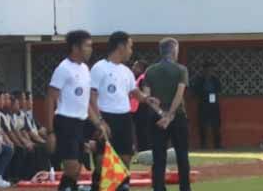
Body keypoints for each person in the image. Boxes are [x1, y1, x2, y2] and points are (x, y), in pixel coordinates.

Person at [90, 32, 155, 191]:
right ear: (120, 46)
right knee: (102, 161)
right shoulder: (99, 67)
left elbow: (135, 93)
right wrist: (100, 121)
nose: (131, 51)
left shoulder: (126, 71)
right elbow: (91, 97)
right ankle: (97, 185)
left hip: (124, 119)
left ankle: (122, 186)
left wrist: (147, 98)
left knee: (125, 158)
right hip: (105, 117)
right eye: (130, 46)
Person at [45, 30, 108, 191]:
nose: (90, 49)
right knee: (72, 168)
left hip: (83, 121)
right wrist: (50, 132)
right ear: (75, 47)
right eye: (87, 46)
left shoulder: (85, 69)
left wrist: (98, 123)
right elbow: (50, 98)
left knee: (103, 148)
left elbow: (85, 101)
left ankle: (96, 185)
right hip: (66, 121)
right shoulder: (63, 69)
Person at [142, 38, 191, 191]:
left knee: (158, 157)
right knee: (182, 155)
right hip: (178, 117)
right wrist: (169, 115)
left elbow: (147, 97)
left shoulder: (150, 70)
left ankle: (158, 188)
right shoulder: (181, 70)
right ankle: (185, 188)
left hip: (156, 118)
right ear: (174, 50)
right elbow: (179, 94)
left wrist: (161, 114)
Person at [190, 61, 223, 149]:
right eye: (208, 69)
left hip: (214, 104)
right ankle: (203, 144)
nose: (210, 71)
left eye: (212, 69)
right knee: (203, 125)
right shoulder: (199, 79)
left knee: (216, 125)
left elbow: (219, 90)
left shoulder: (215, 79)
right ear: (204, 70)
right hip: (203, 104)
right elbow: (195, 91)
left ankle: (217, 144)